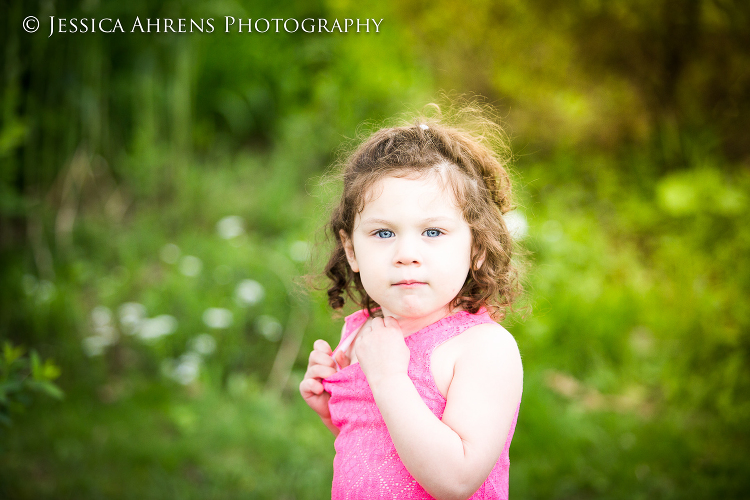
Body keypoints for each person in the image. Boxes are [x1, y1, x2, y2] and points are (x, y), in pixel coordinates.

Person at [299, 108, 524, 500]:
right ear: (352, 250)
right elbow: (383, 443)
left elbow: (455, 480)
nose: (406, 253)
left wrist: (388, 379)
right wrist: (331, 409)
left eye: (432, 231)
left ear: (477, 247)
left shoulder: (483, 349)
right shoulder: (365, 332)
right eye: (383, 232)